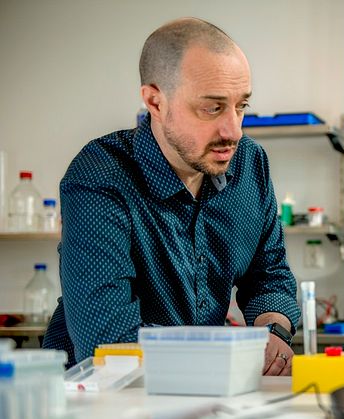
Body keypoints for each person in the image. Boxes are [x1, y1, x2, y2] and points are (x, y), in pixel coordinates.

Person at [42, 18, 298, 376]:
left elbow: (268, 274)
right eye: (212, 108)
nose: (233, 131)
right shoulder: (100, 177)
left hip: (200, 390)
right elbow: (108, 341)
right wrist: (231, 351)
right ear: (155, 101)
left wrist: (273, 330)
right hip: (98, 397)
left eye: (241, 106)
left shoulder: (250, 166)